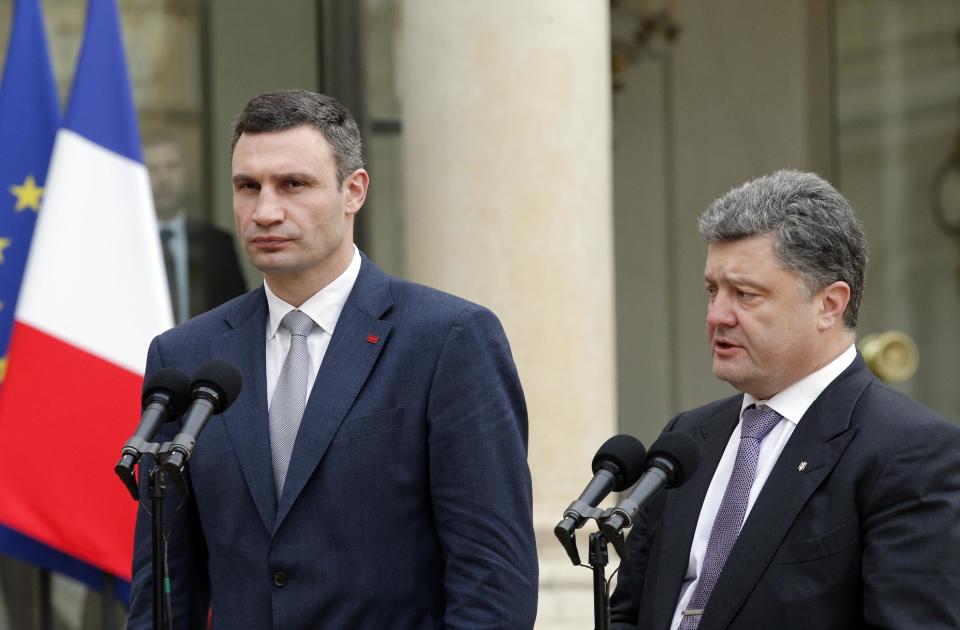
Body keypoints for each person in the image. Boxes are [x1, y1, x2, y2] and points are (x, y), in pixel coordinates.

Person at [128, 90, 538, 628]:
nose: (266, 210)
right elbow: (165, 586)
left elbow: (493, 574)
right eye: (248, 187)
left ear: (354, 191)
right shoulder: (186, 355)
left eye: (293, 184)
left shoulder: (448, 340)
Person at [610, 170, 960, 629]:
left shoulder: (910, 452)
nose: (717, 316)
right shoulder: (686, 440)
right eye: (713, 290)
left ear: (829, 304)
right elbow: (628, 614)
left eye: (745, 294)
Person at [144, 134, 247, 323]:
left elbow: (240, 314)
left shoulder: (218, 244)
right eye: (153, 169)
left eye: (172, 166)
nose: (163, 178)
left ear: (186, 172)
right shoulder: (127, 244)